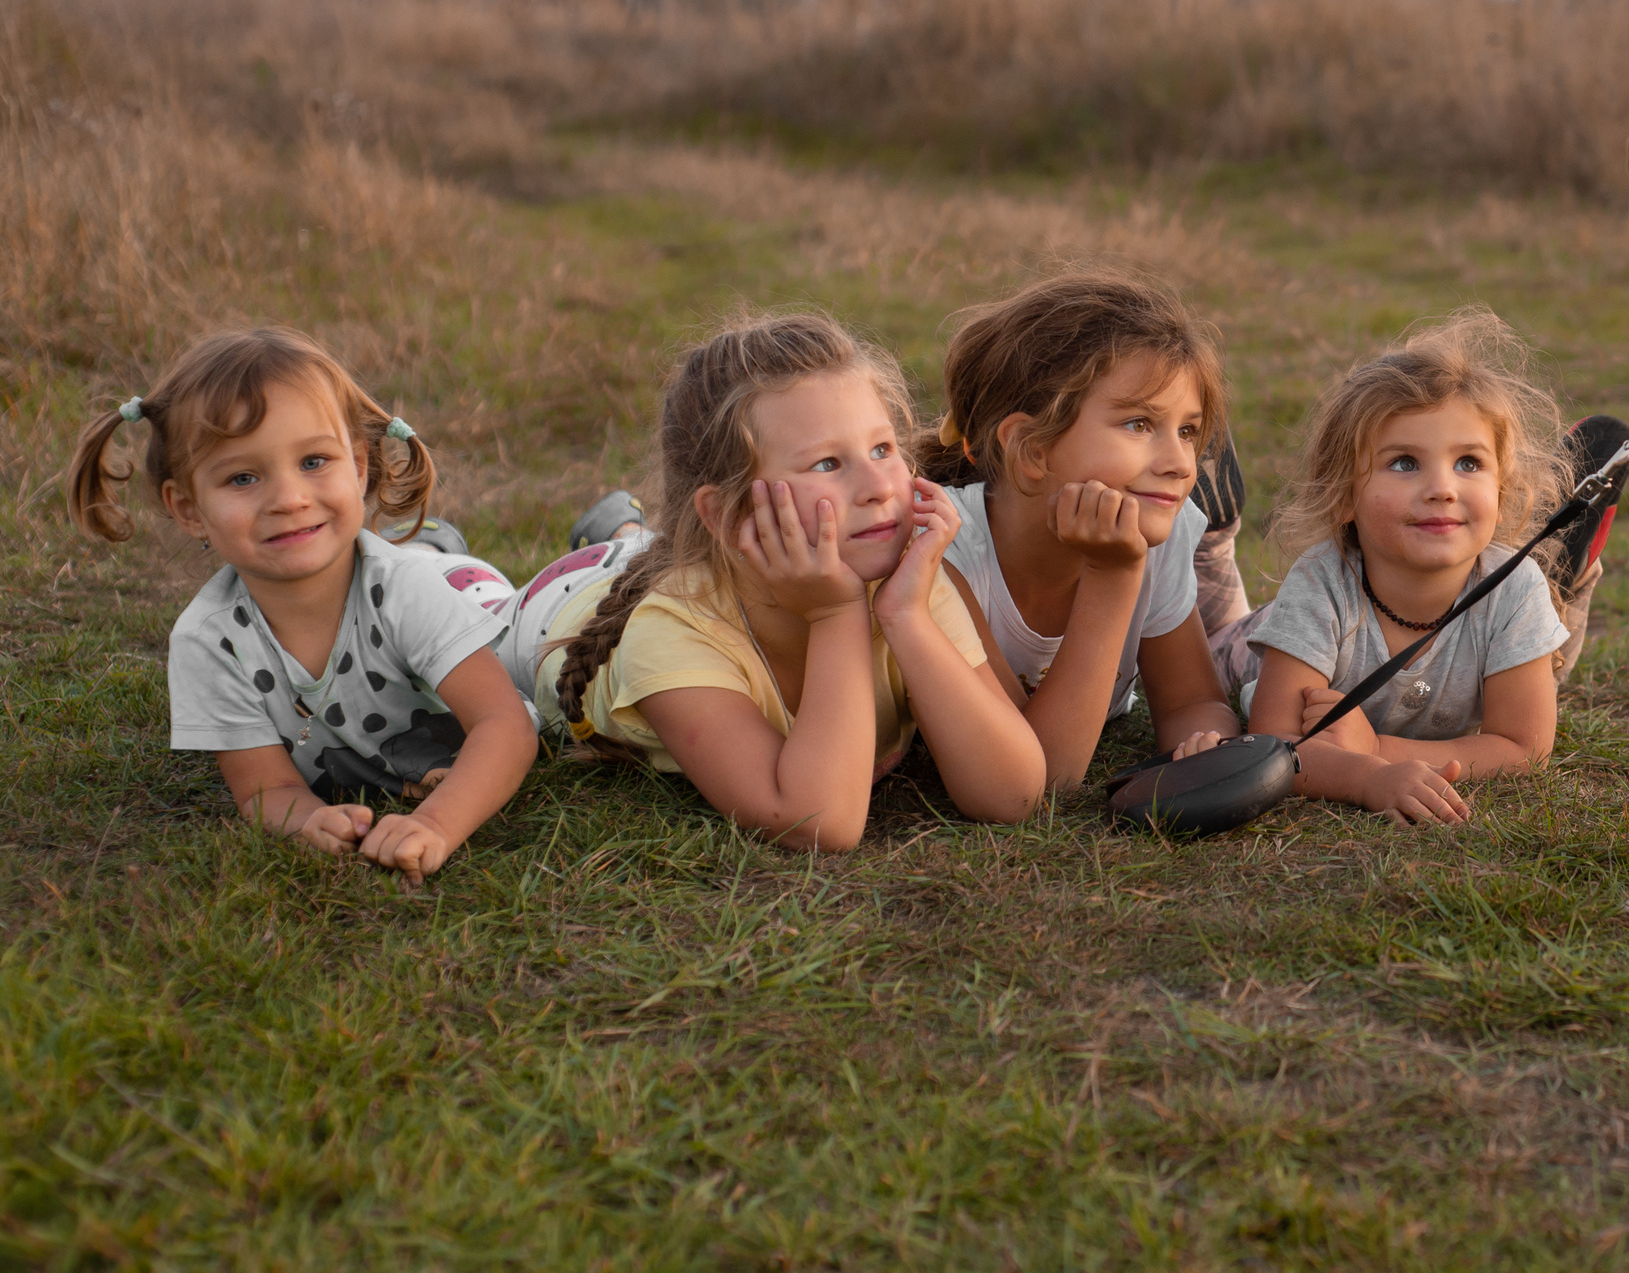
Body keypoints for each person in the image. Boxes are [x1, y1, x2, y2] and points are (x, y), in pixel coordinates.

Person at [542, 311, 1045, 850]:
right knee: (523, 584)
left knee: (640, 547)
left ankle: (625, 528)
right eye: (828, 463)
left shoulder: (907, 584)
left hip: (693, 560)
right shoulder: (669, 634)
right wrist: (834, 613)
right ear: (728, 514)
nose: (878, 486)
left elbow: (1011, 793)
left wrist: (907, 617)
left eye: (882, 449)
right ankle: (578, 538)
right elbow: (819, 823)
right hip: (560, 605)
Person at [66, 328, 536, 880]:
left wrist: (435, 823)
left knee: (516, 606)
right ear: (190, 509)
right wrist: (307, 819)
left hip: (467, 594)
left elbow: (505, 726)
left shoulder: (406, 591)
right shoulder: (209, 641)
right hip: (404, 573)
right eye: (243, 477)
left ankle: (571, 531)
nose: (289, 499)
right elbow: (266, 788)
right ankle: (430, 538)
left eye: (314, 461)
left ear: (359, 467)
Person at [1173, 310, 1624, 825]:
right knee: (1212, 640)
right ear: (1345, 496)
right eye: (1405, 463)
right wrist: (1366, 780)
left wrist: (1378, 749)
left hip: (1502, 605)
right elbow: (1277, 746)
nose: (1442, 488)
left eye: (1469, 463)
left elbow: (1525, 747)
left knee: (1532, 625)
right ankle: (1207, 527)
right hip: (1247, 651)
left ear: (1501, 492)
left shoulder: (1512, 587)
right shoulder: (1320, 583)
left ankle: (1563, 581)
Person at [913, 272, 1248, 789]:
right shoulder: (945, 553)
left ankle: (1217, 539)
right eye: (1139, 423)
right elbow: (1041, 770)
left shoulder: (1159, 531)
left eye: (1187, 431)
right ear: (1032, 448)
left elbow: (1192, 701)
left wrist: (1207, 747)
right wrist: (1113, 577)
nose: (1182, 463)